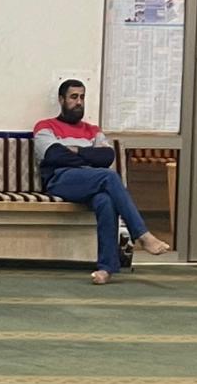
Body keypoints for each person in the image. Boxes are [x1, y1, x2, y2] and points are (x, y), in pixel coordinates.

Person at [33, 79, 170, 284]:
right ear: (61, 100)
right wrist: (89, 155)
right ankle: (142, 235)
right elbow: (54, 156)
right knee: (109, 176)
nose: (79, 102)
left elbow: (106, 156)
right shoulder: (46, 126)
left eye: (82, 97)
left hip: (91, 180)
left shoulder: (92, 130)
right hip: (60, 179)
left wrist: (74, 151)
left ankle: (106, 268)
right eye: (73, 97)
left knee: (105, 201)